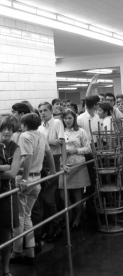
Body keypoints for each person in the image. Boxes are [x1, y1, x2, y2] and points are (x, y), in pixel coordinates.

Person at [10, 113, 56, 265]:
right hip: (37, 179)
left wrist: (23, 178)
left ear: (24, 125)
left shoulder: (25, 136)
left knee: (19, 218)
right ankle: (30, 251)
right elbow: (48, 153)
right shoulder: (41, 134)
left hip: (26, 179)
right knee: (27, 216)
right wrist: (54, 171)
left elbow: (28, 157)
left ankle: (16, 252)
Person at [38, 102, 66, 242]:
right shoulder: (39, 127)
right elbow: (45, 144)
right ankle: (49, 225)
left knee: (48, 197)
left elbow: (60, 142)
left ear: (50, 111)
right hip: (41, 162)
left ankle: (56, 227)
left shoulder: (57, 122)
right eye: (40, 111)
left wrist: (45, 143)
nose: (42, 113)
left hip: (54, 160)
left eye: (45, 110)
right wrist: (49, 142)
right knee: (45, 197)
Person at [59, 109, 91, 230]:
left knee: (78, 195)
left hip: (78, 165)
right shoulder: (60, 131)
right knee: (63, 195)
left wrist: (76, 150)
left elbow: (88, 149)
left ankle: (77, 217)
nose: (67, 121)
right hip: (64, 164)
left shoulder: (80, 131)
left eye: (70, 118)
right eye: (65, 118)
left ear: (74, 119)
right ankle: (70, 214)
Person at [0, 115, 21, 276]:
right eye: (4, 128)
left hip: (7, 194)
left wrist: (7, 167)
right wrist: (4, 166)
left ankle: (5, 269)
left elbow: (13, 172)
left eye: (10, 129)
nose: (7, 132)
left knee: (6, 233)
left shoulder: (15, 148)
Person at [77, 95, 100, 215]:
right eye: (97, 104)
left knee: (97, 176)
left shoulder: (97, 117)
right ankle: (89, 205)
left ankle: (96, 201)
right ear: (95, 105)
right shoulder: (80, 119)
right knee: (90, 178)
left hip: (98, 147)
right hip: (86, 151)